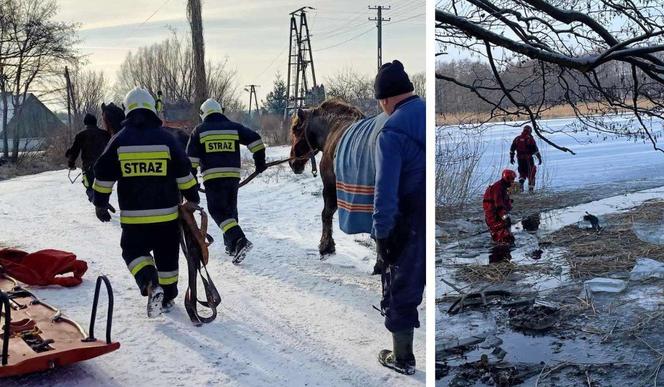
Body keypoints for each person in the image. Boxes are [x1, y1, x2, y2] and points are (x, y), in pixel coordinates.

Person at [92, 87, 199, 318]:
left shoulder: (119, 140)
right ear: (151, 108)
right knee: (167, 257)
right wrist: (193, 198)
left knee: (132, 251)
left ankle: (150, 283)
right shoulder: (167, 139)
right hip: (167, 217)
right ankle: (168, 295)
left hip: (135, 219)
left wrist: (100, 203)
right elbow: (184, 172)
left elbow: (103, 173)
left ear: (127, 110)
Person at [371, 60, 425, 375]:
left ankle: (402, 357)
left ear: (387, 98)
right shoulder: (425, 113)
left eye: (380, 101)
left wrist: (382, 235)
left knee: (401, 284)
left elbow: (385, 191)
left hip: (409, 218)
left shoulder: (391, 129)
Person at [186, 98, 266, 264]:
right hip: (233, 177)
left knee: (217, 211)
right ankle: (232, 246)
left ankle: (240, 239)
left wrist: (192, 182)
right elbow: (256, 140)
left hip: (213, 178)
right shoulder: (234, 127)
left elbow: (191, 161)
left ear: (203, 114)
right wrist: (260, 163)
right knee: (230, 210)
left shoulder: (199, 130)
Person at [65, 113, 111, 202]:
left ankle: (97, 201)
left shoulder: (81, 135)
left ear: (85, 123)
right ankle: (103, 202)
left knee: (89, 187)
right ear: (95, 122)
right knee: (104, 187)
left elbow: (74, 151)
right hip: (104, 166)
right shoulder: (105, 134)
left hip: (88, 167)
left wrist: (71, 164)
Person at [483, 169, 517, 262]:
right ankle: (499, 259)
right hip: (493, 216)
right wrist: (505, 218)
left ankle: (504, 258)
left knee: (506, 236)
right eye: (512, 180)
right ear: (507, 178)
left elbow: (503, 202)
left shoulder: (501, 187)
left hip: (497, 215)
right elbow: (499, 206)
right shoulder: (497, 188)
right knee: (503, 236)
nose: (513, 182)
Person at [510, 125, 542, 192]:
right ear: (530, 131)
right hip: (528, 160)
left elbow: (512, 149)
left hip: (520, 160)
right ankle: (531, 190)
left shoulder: (517, 138)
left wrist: (511, 158)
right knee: (531, 173)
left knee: (522, 173)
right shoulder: (530, 139)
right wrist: (539, 158)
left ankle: (521, 185)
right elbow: (535, 150)